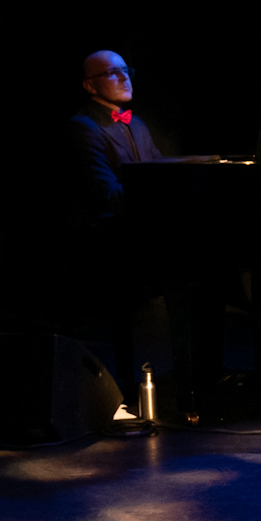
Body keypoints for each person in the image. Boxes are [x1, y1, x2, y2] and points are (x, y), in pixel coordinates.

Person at [65, 51, 180, 416]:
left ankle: (198, 373)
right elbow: (108, 196)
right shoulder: (84, 127)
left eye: (126, 70)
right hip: (108, 240)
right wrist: (160, 190)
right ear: (90, 85)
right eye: (112, 73)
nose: (124, 77)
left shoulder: (137, 124)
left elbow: (156, 171)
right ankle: (152, 379)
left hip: (141, 232)